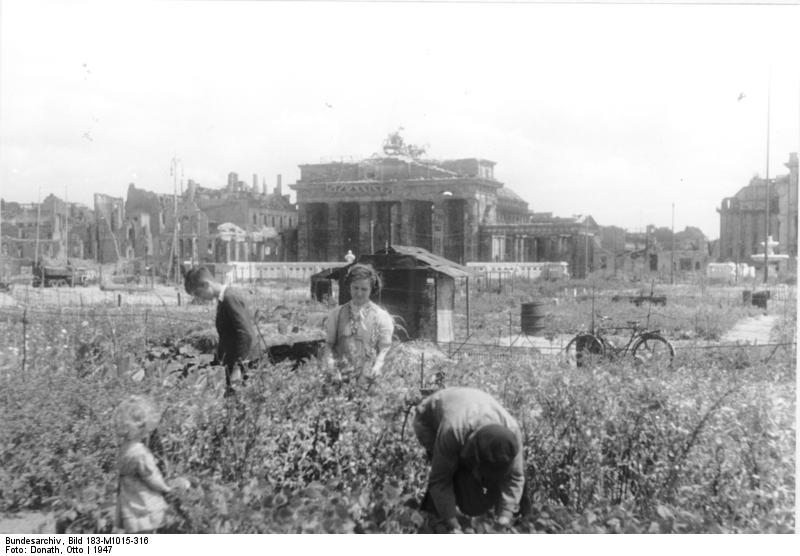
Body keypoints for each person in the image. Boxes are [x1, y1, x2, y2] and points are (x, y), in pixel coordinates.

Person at [413, 387, 527, 533]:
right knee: (448, 469)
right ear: (475, 457)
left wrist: (504, 517)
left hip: (469, 413)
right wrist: (454, 525)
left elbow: (515, 476)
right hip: (428, 420)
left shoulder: (512, 432)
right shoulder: (453, 431)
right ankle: (435, 517)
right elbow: (440, 479)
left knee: (478, 491)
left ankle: (519, 518)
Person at [114, 396, 188, 533]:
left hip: (128, 502)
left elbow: (120, 478)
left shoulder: (124, 449)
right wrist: (166, 489)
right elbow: (151, 477)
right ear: (142, 427)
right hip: (143, 504)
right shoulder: (140, 453)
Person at [184, 266, 262, 395]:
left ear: (205, 284)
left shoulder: (229, 298)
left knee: (239, 404)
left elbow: (245, 334)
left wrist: (238, 367)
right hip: (237, 363)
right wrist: (216, 360)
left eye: (198, 293)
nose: (199, 298)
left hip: (245, 364)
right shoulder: (223, 299)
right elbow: (229, 335)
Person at [324, 263, 393, 380]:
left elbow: (385, 349)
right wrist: (331, 366)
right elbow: (329, 345)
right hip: (340, 377)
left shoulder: (381, 316)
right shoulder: (337, 314)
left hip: (369, 379)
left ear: (371, 289)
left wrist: (378, 366)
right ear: (349, 286)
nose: (359, 293)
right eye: (355, 288)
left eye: (364, 289)